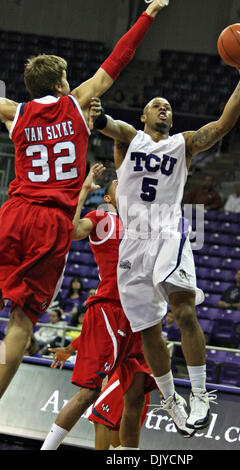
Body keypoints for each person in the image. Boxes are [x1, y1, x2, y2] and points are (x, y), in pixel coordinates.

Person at [0, 0, 169, 399]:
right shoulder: (77, 104)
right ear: (60, 84)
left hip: (14, 212)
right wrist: (148, 14)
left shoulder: (14, 112)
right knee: (21, 328)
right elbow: (119, 58)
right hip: (51, 223)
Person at [94, 50, 240, 435]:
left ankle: (201, 393)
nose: (164, 109)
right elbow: (110, 125)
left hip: (168, 231)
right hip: (132, 243)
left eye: (168, 106)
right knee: (149, 330)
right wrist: (98, 115)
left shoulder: (183, 144)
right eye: (157, 105)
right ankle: (171, 401)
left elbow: (221, 125)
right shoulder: (130, 139)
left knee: (184, 310)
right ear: (144, 116)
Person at [41, 166, 156, 451]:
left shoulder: (145, 225)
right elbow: (70, 231)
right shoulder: (102, 219)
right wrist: (82, 191)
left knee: (136, 394)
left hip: (139, 316)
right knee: (90, 392)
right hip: (111, 309)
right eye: (118, 184)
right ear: (107, 198)